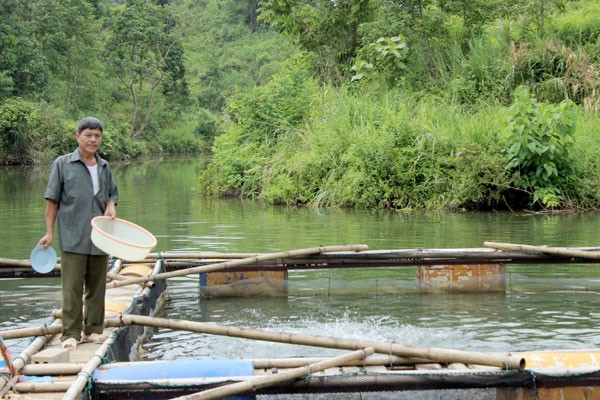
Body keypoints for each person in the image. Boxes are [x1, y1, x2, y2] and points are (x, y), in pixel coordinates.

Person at [38, 117, 118, 350]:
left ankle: (93, 330)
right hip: (73, 235)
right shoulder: (63, 164)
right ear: (78, 137)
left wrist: (111, 205)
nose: (93, 140)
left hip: (101, 237)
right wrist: (49, 232)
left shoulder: (104, 166)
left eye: (97, 136)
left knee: (97, 285)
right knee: (72, 287)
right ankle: (70, 334)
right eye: (88, 135)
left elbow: (112, 194)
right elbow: (52, 200)